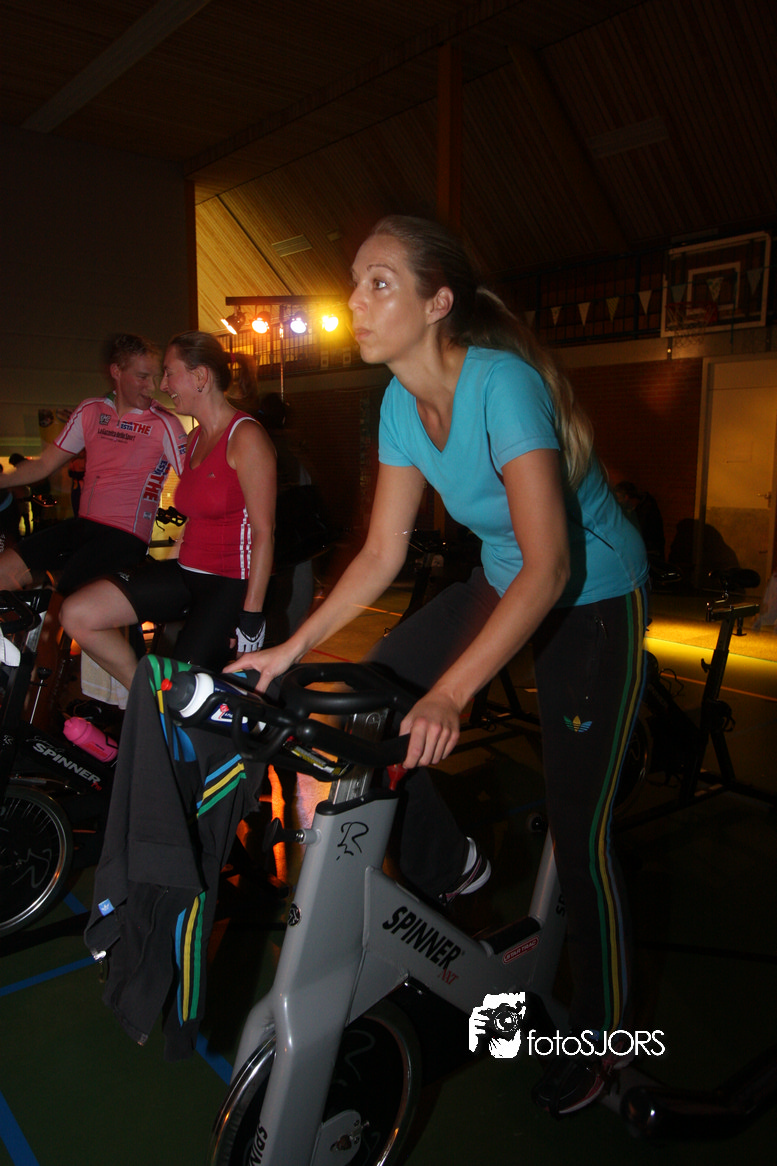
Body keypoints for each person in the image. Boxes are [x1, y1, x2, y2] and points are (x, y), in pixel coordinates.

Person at [225, 215, 649, 1117]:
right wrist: (291, 647)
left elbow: (552, 567)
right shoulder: (396, 404)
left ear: (437, 302)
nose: (354, 300)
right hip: (501, 578)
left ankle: (607, 1043)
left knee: (581, 835)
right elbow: (382, 552)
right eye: (354, 281)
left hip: (593, 596)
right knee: (367, 702)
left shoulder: (502, 386)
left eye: (378, 282)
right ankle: (452, 863)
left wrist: (454, 692)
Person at [60, 331, 277, 691]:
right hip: (185, 573)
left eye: (169, 373)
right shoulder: (194, 439)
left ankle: (166, 706)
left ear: (200, 376)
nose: (163, 385)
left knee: (185, 695)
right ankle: (149, 697)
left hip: (227, 585)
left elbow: (264, 533)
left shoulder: (246, 437)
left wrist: (251, 618)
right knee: (78, 613)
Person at [0, 336, 188, 596]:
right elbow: (43, 465)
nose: (152, 387)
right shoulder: (91, 410)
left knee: (66, 598)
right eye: (143, 377)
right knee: (4, 569)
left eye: (155, 377)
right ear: (116, 371)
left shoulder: (165, 424)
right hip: (84, 526)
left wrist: (186, 544)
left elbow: (195, 484)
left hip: (125, 536)